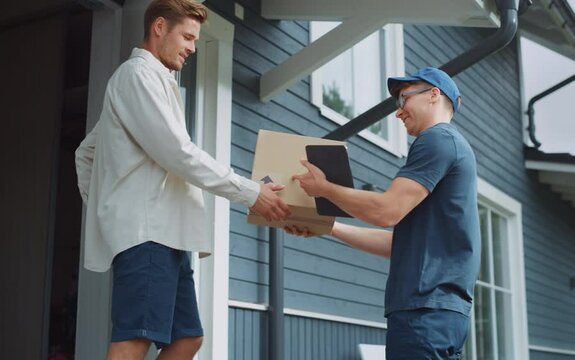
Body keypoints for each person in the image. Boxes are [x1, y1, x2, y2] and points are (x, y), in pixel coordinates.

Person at [74, 0, 290, 358]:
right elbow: (177, 152)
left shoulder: (154, 81)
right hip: (147, 233)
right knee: (134, 339)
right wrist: (252, 193)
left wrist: (106, 205)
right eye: (187, 37)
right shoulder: (137, 76)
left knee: (187, 338)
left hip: (167, 235)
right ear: (159, 27)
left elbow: (86, 152)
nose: (192, 47)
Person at [289, 67, 480, 359]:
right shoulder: (452, 147)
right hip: (441, 315)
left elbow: (386, 211)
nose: (399, 112)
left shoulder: (437, 140)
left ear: (433, 95)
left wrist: (325, 188)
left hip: (423, 315)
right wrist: (329, 227)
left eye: (403, 99)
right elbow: (397, 244)